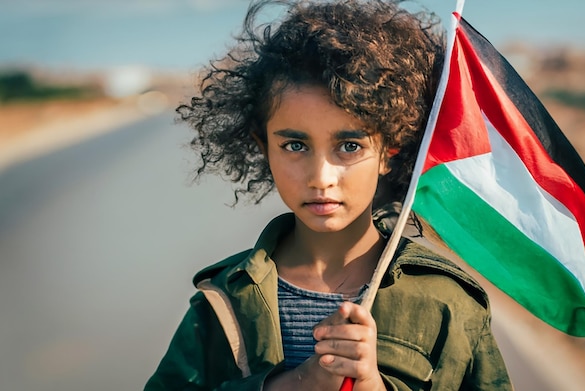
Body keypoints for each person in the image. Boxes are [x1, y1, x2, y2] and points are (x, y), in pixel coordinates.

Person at [145, 0, 512, 390]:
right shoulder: (221, 302)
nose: (321, 178)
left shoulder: (448, 304)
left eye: (350, 146)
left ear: (391, 151)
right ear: (263, 145)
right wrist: (298, 383)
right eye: (295, 146)